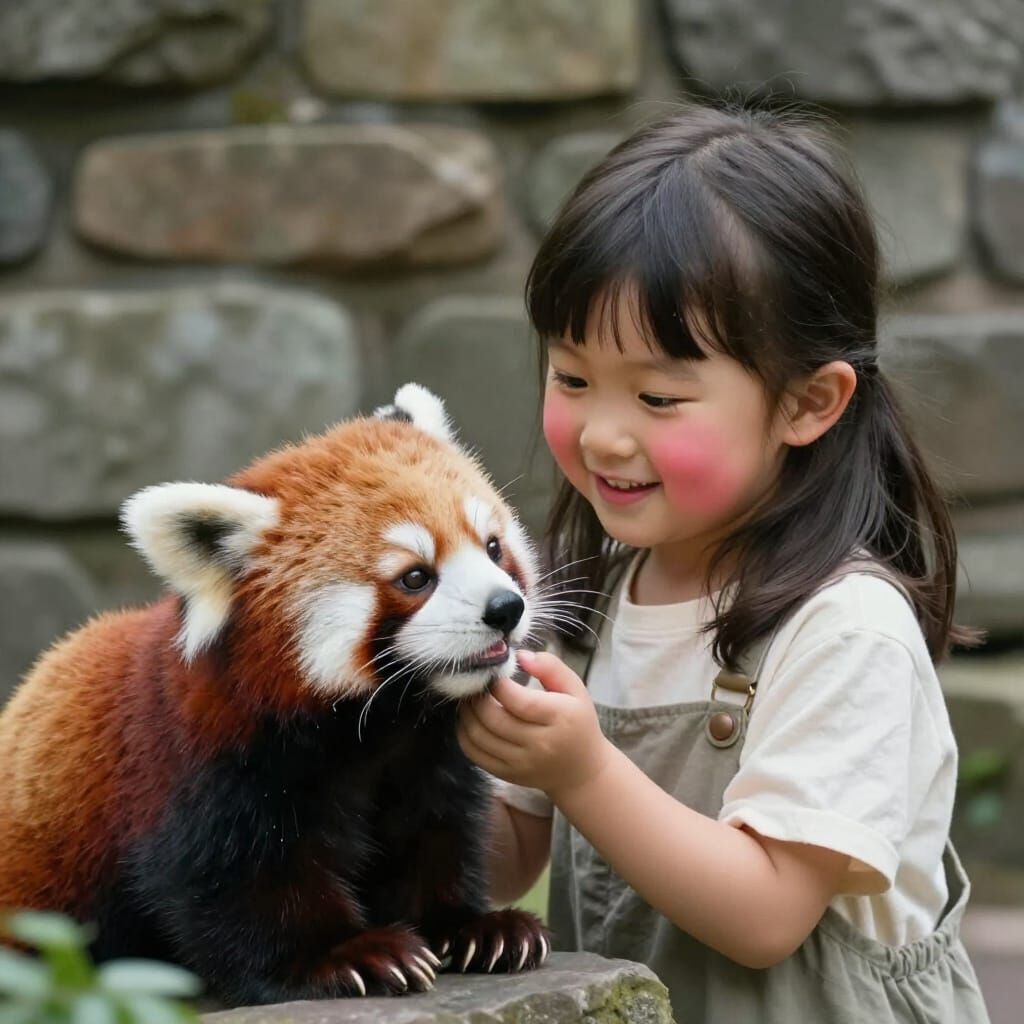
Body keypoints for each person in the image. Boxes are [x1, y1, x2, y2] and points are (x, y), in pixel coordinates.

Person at [456, 104, 990, 1023]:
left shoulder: (845, 631)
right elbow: (500, 859)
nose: (603, 432)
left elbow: (764, 914)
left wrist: (580, 770)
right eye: (572, 377)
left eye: (659, 395)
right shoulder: (583, 606)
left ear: (807, 403)